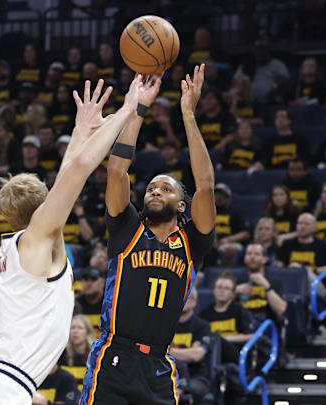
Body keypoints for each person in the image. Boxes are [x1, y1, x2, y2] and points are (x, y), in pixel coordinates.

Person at [0, 76, 149, 405]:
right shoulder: (38, 236)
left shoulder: (21, 245)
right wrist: (128, 108)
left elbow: (69, 173)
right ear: (43, 204)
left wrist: (83, 129)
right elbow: (79, 168)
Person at [80, 65, 216, 404]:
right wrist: (138, 109)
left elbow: (206, 186)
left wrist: (187, 113)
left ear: (182, 206)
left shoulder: (192, 242)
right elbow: (116, 170)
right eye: (152, 187)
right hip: (114, 355)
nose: (155, 192)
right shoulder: (127, 228)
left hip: (158, 364)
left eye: (166, 189)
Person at [171, 288, 214, 403]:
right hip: (171, 374)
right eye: (179, 297)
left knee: (187, 391)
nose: (182, 301)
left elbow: (196, 356)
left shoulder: (202, 326)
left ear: (194, 302)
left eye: (186, 298)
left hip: (196, 376)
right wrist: (188, 352)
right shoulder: (167, 326)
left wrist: (169, 351)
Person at [235, 243, 287, 326]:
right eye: (249, 253)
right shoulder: (237, 281)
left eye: (257, 254)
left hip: (266, 326)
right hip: (242, 326)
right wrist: (235, 291)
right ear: (244, 258)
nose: (252, 257)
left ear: (265, 259)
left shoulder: (274, 282)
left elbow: (281, 310)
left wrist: (267, 286)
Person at [211, 183, 249, 266]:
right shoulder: (208, 213)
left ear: (228, 198)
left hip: (231, 242)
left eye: (221, 194)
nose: (218, 197)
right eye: (216, 194)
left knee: (230, 249)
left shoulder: (235, 213)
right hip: (212, 243)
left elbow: (245, 234)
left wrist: (227, 240)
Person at [59, 315, 96, 390]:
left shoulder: (95, 355)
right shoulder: (61, 354)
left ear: (87, 332)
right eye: (72, 328)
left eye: (80, 328)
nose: (75, 331)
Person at [75, 267, 106, 331]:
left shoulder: (111, 305)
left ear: (102, 282)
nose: (89, 284)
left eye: (93, 279)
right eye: (86, 280)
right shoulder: (75, 305)